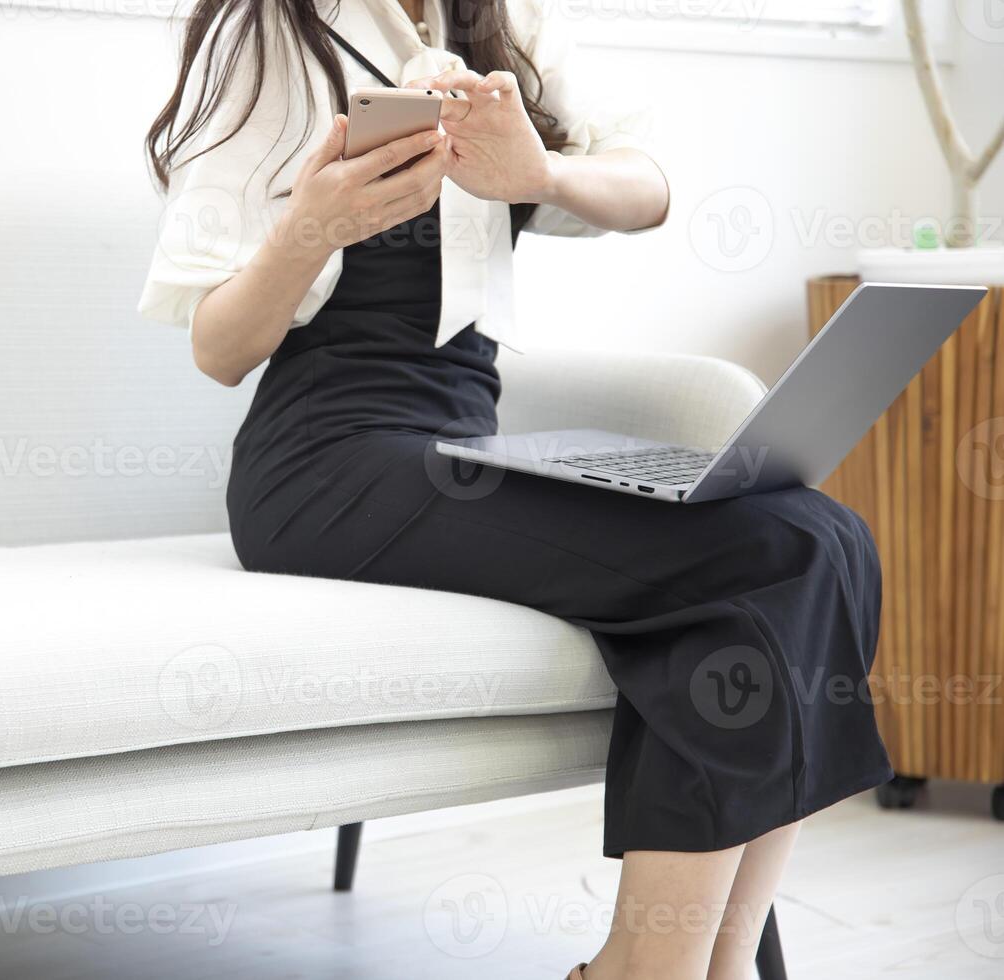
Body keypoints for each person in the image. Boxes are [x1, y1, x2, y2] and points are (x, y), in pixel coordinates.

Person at [139, 1, 892, 976]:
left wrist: (540, 173)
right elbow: (217, 348)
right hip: (323, 460)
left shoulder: (505, 18)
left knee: (828, 537)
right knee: (768, 551)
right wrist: (310, 228)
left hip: (457, 435)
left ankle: (711, 963)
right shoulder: (271, 29)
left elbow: (649, 182)